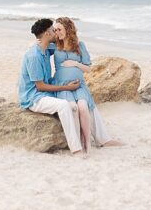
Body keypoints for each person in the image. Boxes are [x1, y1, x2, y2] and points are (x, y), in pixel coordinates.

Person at [51, 16, 124, 152]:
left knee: (84, 107)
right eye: (55, 30)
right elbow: (40, 47)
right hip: (63, 85)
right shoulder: (54, 45)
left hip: (79, 85)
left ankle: (87, 143)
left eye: (59, 29)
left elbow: (88, 68)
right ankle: (79, 142)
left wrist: (75, 63)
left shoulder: (80, 45)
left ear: (68, 29)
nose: (57, 32)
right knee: (74, 108)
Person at [18, 18, 86, 156]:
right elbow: (40, 86)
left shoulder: (46, 49)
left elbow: (64, 46)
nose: (56, 32)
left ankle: (81, 141)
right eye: (53, 30)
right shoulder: (34, 56)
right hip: (34, 97)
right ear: (47, 33)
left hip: (45, 93)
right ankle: (76, 149)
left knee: (74, 107)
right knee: (63, 106)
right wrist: (67, 88)